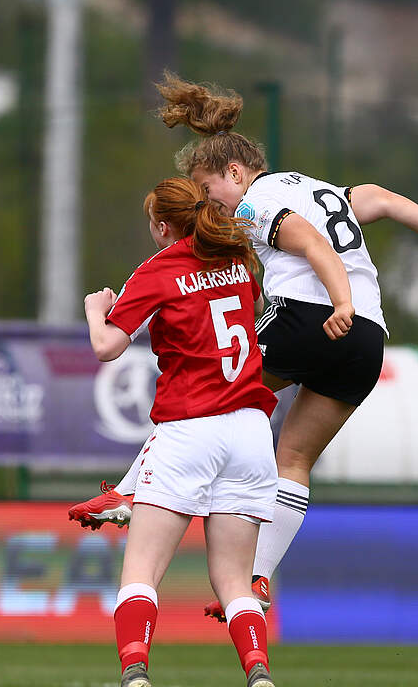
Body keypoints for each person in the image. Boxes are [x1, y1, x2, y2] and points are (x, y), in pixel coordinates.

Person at [70, 72, 418, 622]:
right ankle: (257, 577)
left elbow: (310, 244)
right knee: (294, 457)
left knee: (206, 386)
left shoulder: (254, 202)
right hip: (367, 340)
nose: (209, 206)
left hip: (311, 316)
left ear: (235, 174)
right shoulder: (319, 189)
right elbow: (382, 200)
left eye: (208, 191)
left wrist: (338, 302)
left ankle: (128, 492)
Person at [87, 176, 280, 687]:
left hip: (192, 427)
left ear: (161, 226)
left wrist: (94, 310)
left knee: (142, 571)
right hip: (252, 431)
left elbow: (107, 346)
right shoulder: (238, 260)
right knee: (235, 580)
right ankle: (259, 673)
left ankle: (135, 673)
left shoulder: (159, 268)